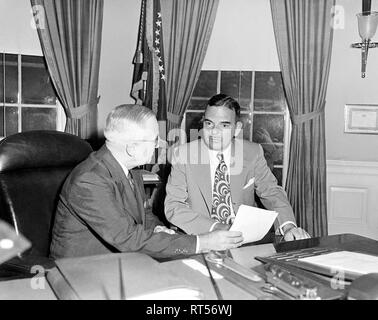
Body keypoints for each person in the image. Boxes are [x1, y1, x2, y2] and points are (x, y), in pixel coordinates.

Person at [50, 104, 243, 259]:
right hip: (83, 271)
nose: (160, 144)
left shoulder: (129, 169)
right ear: (132, 148)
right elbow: (127, 238)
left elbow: (144, 214)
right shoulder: (89, 180)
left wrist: (160, 229)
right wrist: (204, 242)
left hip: (121, 263)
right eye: (154, 139)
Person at [165, 94, 310, 241]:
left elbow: (271, 192)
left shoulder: (253, 153)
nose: (214, 131)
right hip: (200, 238)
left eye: (224, 125)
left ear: (237, 128)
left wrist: (288, 226)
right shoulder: (183, 154)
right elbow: (174, 205)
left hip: (244, 241)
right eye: (209, 124)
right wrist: (216, 227)